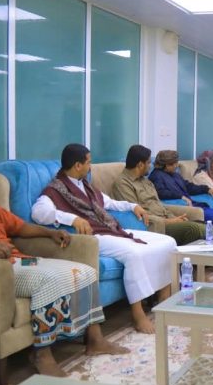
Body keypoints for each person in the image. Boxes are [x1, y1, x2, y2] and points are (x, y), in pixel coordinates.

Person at [0, 162, 128, 376]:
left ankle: (95, 340)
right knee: (48, 280)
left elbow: (20, 227)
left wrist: (49, 233)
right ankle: (42, 355)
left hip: (21, 261)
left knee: (85, 271)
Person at [32, 143, 178, 334]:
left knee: (167, 242)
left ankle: (164, 298)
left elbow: (108, 202)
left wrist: (132, 206)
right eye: (88, 162)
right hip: (92, 237)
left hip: (109, 228)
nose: (90, 166)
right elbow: (38, 212)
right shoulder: (55, 189)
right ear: (77, 165)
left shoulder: (85, 185)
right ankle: (138, 314)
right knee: (134, 254)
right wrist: (72, 219)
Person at [146, 148, 213, 242]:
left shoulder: (175, 175)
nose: (176, 165)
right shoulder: (156, 176)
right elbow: (160, 192)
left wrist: (206, 189)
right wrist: (180, 196)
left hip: (193, 204)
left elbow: (188, 186)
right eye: (174, 163)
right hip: (182, 206)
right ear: (166, 165)